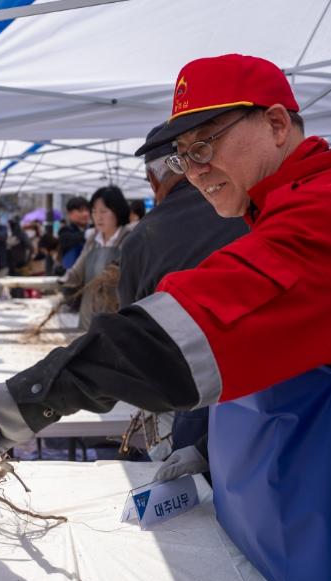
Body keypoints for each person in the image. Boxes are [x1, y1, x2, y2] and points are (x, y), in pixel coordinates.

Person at [0, 54, 331, 581]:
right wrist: (208, 440)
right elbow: (282, 347)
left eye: (205, 145)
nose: (193, 169)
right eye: (182, 154)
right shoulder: (306, 201)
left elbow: (181, 334)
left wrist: (29, 398)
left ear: (275, 124)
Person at [117, 123, 249, 454]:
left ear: (152, 179)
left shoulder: (141, 240)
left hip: (194, 394)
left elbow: (130, 340)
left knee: (201, 498)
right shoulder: (247, 210)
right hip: (267, 388)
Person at [60, 186, 131, 330]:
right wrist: (60, 281)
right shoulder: (93, 240)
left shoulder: (129, 240)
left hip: (117, 319)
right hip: (89, 318)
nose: (98, 217)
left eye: (103, 211)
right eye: (94, 211)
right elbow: (76, 274)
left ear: (117, 211)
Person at [58, 196, 90, 271]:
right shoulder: (65, 231)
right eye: (80, 211)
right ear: (70, 214)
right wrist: (87, 234)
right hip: (72, 274)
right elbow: (66, 240)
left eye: (87, 210)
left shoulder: (93, 229)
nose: (85, 214)